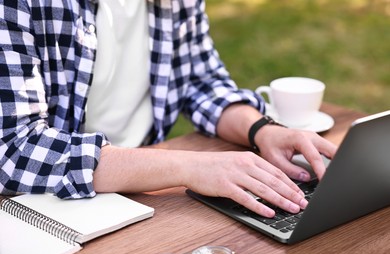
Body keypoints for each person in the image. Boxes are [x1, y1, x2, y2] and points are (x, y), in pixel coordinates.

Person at [0, 0, 336, 218]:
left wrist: (262, 130)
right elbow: (13, 149)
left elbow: (201, 81)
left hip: (146, 193)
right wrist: (190, 167)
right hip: (45, 208)